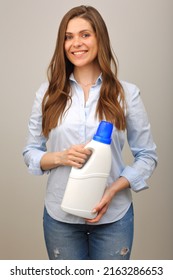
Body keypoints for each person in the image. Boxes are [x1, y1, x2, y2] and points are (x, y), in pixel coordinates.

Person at [23, 5, 157, 260]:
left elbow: (147, 156)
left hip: (114, 217)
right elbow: (30, 152)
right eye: (68, 36)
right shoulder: (48, 94)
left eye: (85, 34)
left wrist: (113, 189)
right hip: (60, 218)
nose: (76, 43)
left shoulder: (126, 94)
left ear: (100, 39)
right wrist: (60, 157)